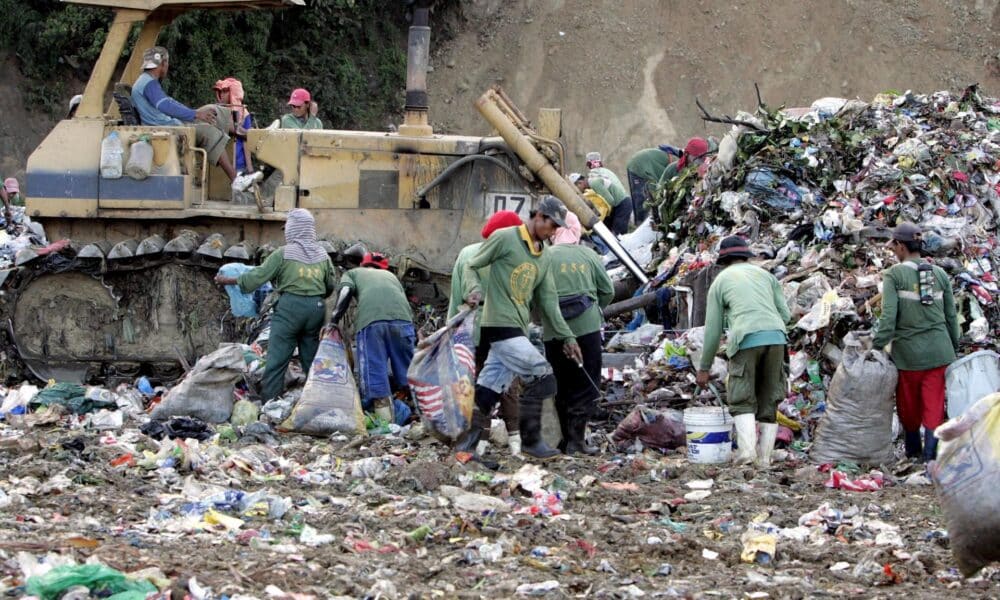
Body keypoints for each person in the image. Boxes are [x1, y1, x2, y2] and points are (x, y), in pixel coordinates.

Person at [461, 195, 583, 459]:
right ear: (538, 216)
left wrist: (568, 337)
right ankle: (530, 440)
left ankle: (466, 448)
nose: (552, 232)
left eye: (556, 228)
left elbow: (549, 302)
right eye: (551, 225)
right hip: (498, 324)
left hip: (519, 327)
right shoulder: (505, 238)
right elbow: (472, 264)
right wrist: (473, 289)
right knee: (542, 375)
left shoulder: (544, 256)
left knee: (487, 389)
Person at [214, 208, 335, 400]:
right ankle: (319, 401)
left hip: (290, 309)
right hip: (316, 309)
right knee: (311, 358)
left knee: (277, 359)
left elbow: (257, 277)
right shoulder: (322, 255)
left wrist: (228, 281)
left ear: (293, 229)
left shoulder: (283, 254)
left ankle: (270, 404)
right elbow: (330, 286)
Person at [696, 236, 791, 466]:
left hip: (746, 338)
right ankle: (765, 459)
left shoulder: (720, 281)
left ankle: (747, 453)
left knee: (741, 397)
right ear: (746, 256)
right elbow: (786, 316)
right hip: (777, 338)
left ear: (724, 260)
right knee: (769, 400)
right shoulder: (766, 276)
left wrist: (704, 367)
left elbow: (713, 330)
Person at [872, 222, 960, 462]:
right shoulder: (940, 274)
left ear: (900, 246)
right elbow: (951, 316)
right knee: (934, 404)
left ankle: (913, 452)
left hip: (908, 355)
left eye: (894, 246)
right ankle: (930, 457)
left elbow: (888, 317)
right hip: (939, 352)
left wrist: (876, 346)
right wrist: (954, 346)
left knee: (908, 406)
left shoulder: (894, 274)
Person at [131, 46, 260, 192]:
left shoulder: (147, 81)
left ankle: (249, 134)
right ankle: (236, 179)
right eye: (166, 63)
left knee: (213, 110)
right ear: (163, 64)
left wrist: (195, 112)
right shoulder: (148, 83)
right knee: (209, 132)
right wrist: (195, 114)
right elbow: (165, 106)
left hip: (169, 123)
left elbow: (169, 102)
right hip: (167, 128)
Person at [448, 210, 524, 454]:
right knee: (508, 385)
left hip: (474, 330)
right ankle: (515, 443)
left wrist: (451, 330)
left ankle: (479, 441)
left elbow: (456, 297)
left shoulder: (468, 254)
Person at [544, 211, 614, 455]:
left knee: (560, 382)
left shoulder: (543, 256)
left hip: (553, 332)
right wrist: (596, 310)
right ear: (576, 230)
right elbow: (607, 290)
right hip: (587, 329)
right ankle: (577, 441)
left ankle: (564, 440)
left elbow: (533, 297)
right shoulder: (588, 254)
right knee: (586, 382)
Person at [331, 251, 415, 426]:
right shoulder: (391, 276)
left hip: (371, 322)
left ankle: (386, 423)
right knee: (409, 370)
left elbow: (346, 290)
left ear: (363, 264)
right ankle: (419, 415)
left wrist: (334, 319)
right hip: (403, 321)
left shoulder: (353, 273)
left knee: (374, 370)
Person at [581, 152, 632, 235]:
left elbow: (610, 201)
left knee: (617, 236)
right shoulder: (606, 171)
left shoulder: (593, 180)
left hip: (621, 205)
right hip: (625, 201)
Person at [626, 146, 680, 223]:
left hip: (640, 164)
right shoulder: (671, 166)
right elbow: (663, 183)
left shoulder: (671, 160)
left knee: (646, 196)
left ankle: (641, 221)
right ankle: (640, 223)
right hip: (638, 166)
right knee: (641, 198)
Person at [213, 78, 253, 174]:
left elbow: (246, 142)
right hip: (220, 164)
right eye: (220, 91)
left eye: (224, 91)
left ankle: (258, 134)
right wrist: (248, 134)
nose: (221, 94)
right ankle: (259, 135)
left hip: (239, 164)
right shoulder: (214, 111)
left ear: (233, 93)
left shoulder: (244, 113)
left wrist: (250, 168)